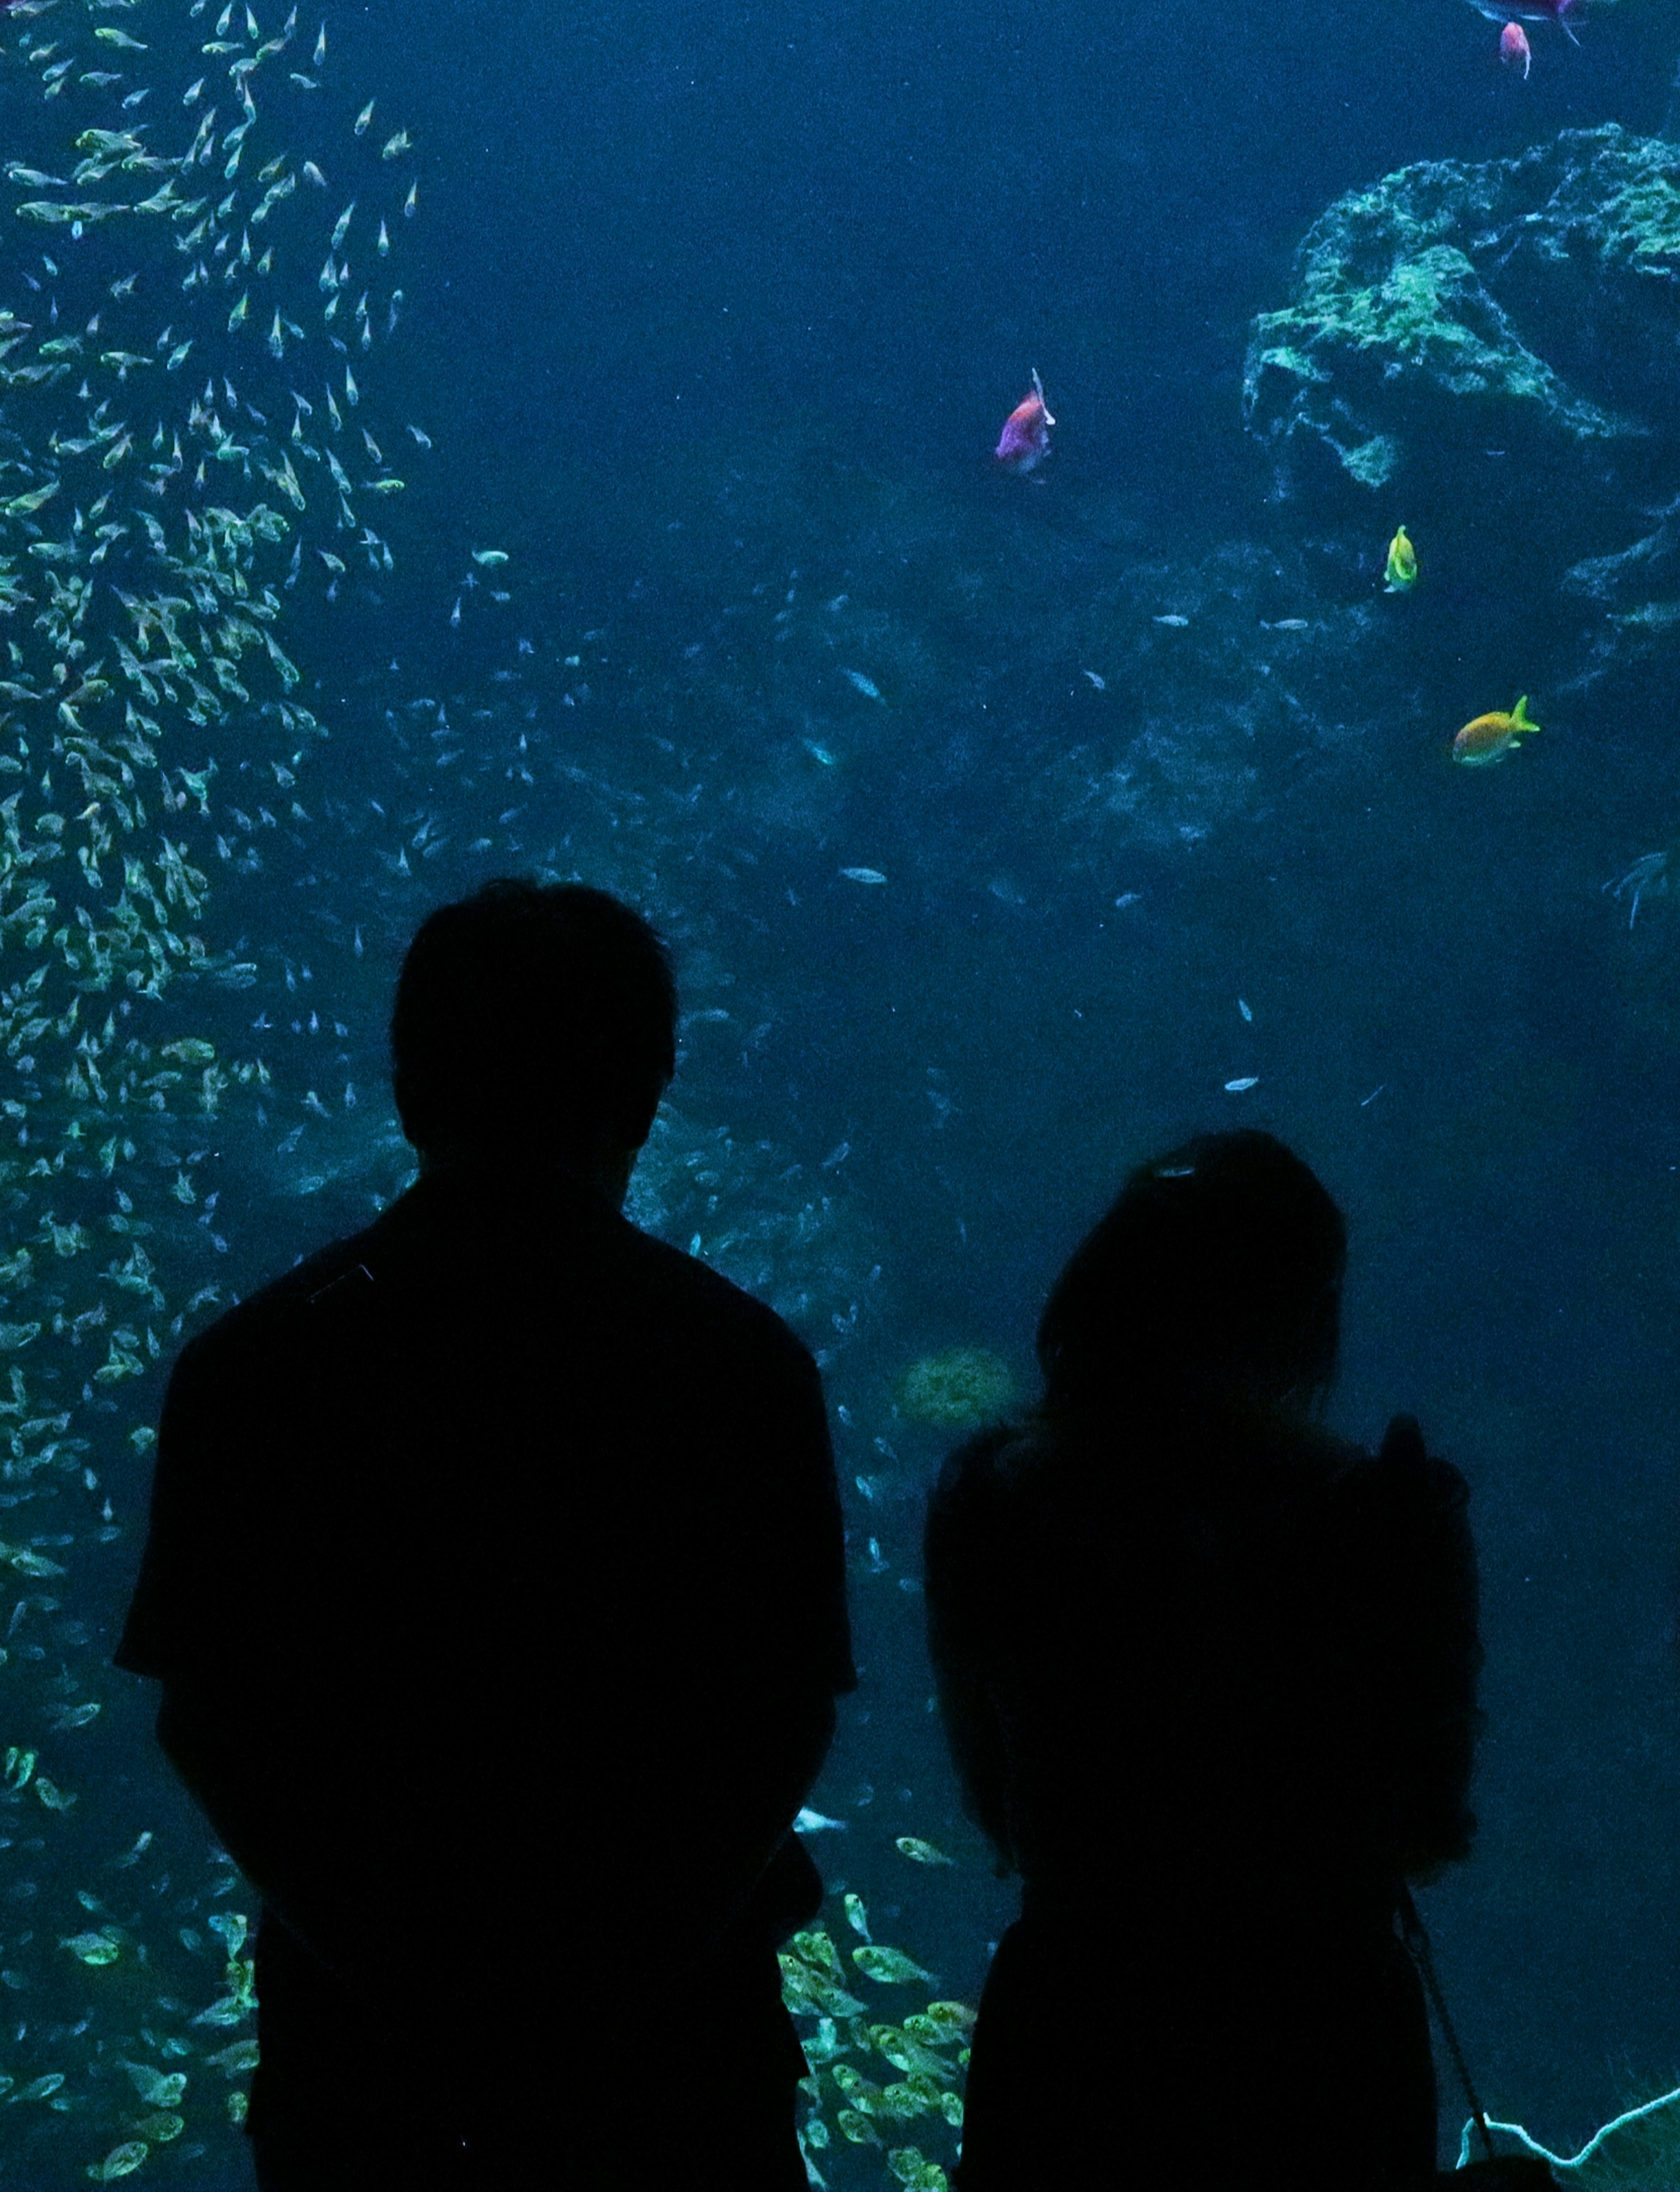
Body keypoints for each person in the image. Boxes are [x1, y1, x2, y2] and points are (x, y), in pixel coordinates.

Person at [114, 877, 854, 2192]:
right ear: (647, 1093)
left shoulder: (261, 1364)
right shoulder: (735, 1366)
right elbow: (779, 1714)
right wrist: (633, 1971)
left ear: (408, 1085)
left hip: (366, 2069)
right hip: (674, 2065)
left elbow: (210, 1713)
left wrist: (398, 1972)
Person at [923, 1129, 1483, 2192]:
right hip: (1316, 2030)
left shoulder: (990, 1495)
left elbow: (996, 1806)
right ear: (1302, 1307)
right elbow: (1426, 1821)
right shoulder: (1381, 1510)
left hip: (1078, 2016)